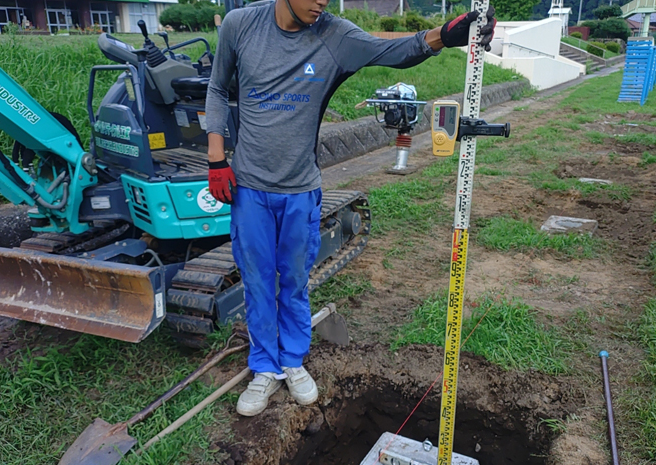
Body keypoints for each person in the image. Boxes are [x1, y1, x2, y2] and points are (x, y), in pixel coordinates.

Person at [205, 0, 495, 417]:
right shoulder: (240, 25)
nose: (322, 2)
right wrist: (216, 158)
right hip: (250, 187)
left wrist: (446, 35)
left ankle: (292, 361)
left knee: (294, 279)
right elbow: (217, 87)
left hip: (300, 188)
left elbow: (392, 51)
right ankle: (265, 368)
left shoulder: (332, 35)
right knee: (256, 280)